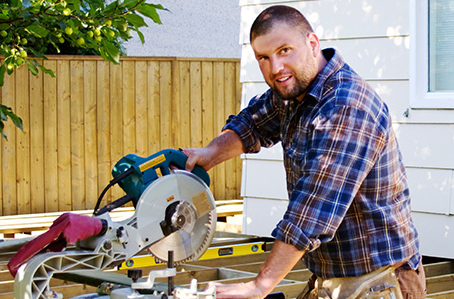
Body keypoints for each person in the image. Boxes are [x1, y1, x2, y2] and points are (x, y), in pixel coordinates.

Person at [180, 5, 425, 299]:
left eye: (285, 51)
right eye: (264, 58)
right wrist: (208, 154)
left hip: (378, 280)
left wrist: (260, 286)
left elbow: (312, 210)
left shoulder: (345, 107)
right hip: (331, 275)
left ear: (312, 44)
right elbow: (252, 125)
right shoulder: (294, 92)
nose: (275, 69)